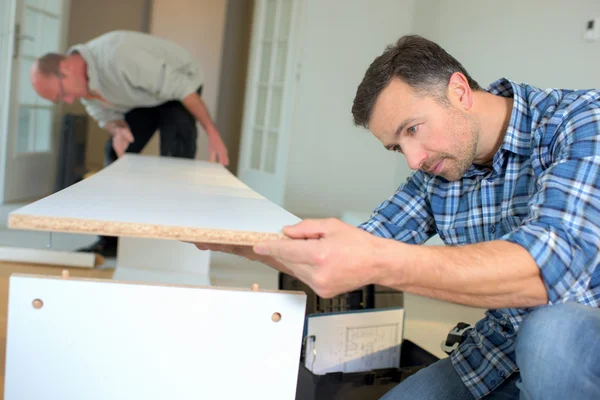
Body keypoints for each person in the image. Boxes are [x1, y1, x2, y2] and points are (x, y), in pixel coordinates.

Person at [195, 35, 600, 399]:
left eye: (413, 129)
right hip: (495, 352)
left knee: (550, 336)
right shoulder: (440, 168)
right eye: (396, 147)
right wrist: (241, 242)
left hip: (575, 345)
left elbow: (548, 270)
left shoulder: (581, 121)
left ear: (459, 91)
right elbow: (359, 243)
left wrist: (378, 260)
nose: (414, 159)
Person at [30, 30, 229, 258]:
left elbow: (183, 89)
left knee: (177, 150)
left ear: (65, 69)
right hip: (144, 96)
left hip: (181, 86)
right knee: (114, 154)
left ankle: (177, 247)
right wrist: (118, 130)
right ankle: (110, 241)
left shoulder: (119, 56)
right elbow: (106, 117)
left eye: (61, 94)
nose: (68, 100)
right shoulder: (82, 86)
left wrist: (212, 133)